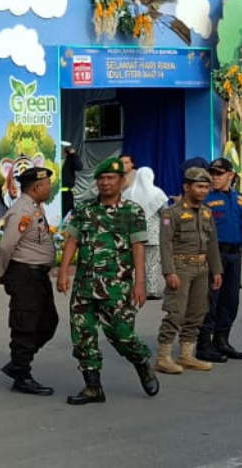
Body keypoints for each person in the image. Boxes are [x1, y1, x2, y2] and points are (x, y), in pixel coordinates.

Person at [57, 157, 159, 405]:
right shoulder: (84, 210)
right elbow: (72, 240)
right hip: (84, 285)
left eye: (110, 178)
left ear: (121, 181)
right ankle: (93, 388)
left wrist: (140, 283)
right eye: (101, 178)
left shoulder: (132, 211)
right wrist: (63, 271)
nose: (105, 183)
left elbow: (137, 247)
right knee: (82, 335)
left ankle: (141, 361)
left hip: (117, 285)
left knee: (122, 334)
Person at [0, 166, 58, 396]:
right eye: (48, 185)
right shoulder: (22, 211)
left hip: (37, 275)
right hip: (25, 275)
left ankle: (18, 364)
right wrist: (2, 274)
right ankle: (22, 374)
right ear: (37, 187)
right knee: (25, 325)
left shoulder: (33, 208)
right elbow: (5, 246)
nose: (50, 189)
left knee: (48, 323)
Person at [155, 168, 223, 374]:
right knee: (176, 312)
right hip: (181, 267)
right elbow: (165, 243)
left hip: (202, 268)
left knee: (197, 312)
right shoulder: (171, 213)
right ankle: (163, 357)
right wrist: (169, 272)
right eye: (199, 186)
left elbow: (212, 244)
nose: (203, 191)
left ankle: (186, 355)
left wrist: (216, 270)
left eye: (206, 187)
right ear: (186, 187)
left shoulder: (206, 212)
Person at [196, 158, 242, 363]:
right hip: (213, 255)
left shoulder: (240, 199)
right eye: (212, 173)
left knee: (230, 301)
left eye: (219, 174)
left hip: (234, 256)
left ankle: (222, 340)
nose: (214, 177)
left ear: (230, 175)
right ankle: (204, 345)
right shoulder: (205, 199)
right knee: (210, 301)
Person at [124, 167, 168, 299]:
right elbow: (165, 215)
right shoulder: (157, 194)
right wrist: (167, 228)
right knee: (152, 264)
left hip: (134, 235)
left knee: (132, 263)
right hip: (154, 236)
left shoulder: (128, 193)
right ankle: (152, 290)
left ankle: (130, 289)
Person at [60, 141, 83, 218]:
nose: (61, 150)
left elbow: (79, 167)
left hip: (67, 193)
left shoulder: (71, 159)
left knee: (67, 215)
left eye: (63, 148)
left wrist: (74, 155)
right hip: (54, 193)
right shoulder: (53, 159)